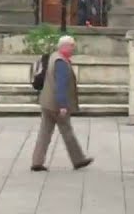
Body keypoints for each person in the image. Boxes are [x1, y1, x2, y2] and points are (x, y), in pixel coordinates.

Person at [31, 35, 94, 171]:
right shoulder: (61, 62)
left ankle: (37, 161)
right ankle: (78, 160)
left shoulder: (54, 56)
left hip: (46, 102)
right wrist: (63, 105)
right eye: (72, 46)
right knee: (67, 131)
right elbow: (61, 85)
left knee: (44, 132)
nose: (73, 49)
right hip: (56, 105)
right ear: (64, 46)